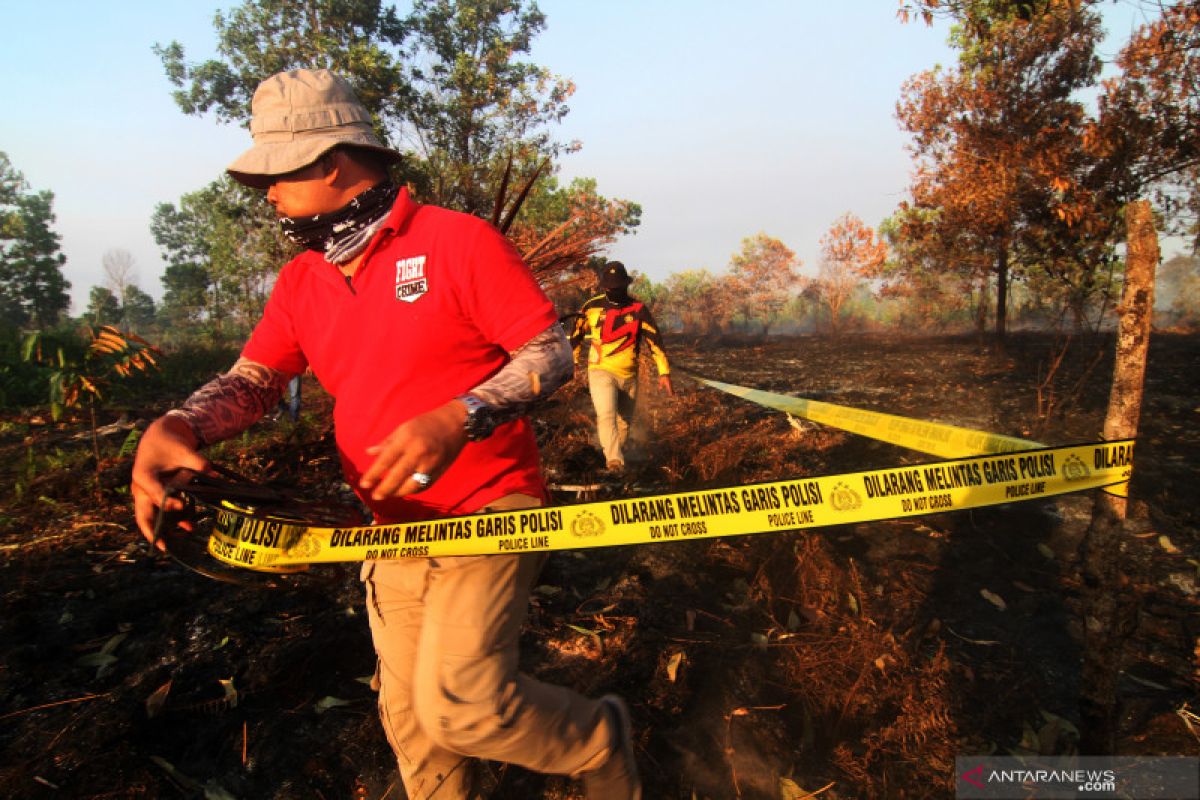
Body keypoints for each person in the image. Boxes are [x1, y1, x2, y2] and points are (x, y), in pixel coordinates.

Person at [131, 69, 640, 800]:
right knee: (414, 729)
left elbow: (549, 351)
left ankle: (596, 741)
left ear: (331, 161)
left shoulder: (457, 242)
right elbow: (256, 380)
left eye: (276, 174)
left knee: (462, 707)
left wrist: (458, 417)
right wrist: (176, 425)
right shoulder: (305, 279)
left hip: (488, 509)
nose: (267, 193)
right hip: (388, 529)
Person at [569, 262, 673, 472]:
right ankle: (614, 461)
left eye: (619, 287)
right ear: (604, 287)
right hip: (600, 370)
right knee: (606, 415)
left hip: (628, 374)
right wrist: (573, 361)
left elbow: (655, 341)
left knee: (624, 420)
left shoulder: (639, 310)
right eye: (611, 287)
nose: (615, 291)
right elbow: (576, 335)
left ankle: (611, 452)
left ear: (626, 285)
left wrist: (664, 372)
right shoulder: (591, 307)